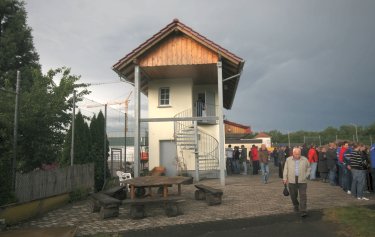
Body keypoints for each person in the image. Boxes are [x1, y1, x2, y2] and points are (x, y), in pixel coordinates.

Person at [283, 147, 311, 217]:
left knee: (303, 195)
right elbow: (285, 169)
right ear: (293, 153)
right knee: (293, 195)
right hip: (292, 180)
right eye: (296, 154)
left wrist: (306, 175)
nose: (297, 156)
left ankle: (303, 210)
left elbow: (309, 168)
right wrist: (284, 178)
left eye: (298, 154)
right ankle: (296, 205)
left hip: (302, 180)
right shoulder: (288, 159)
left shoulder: (304, 159)